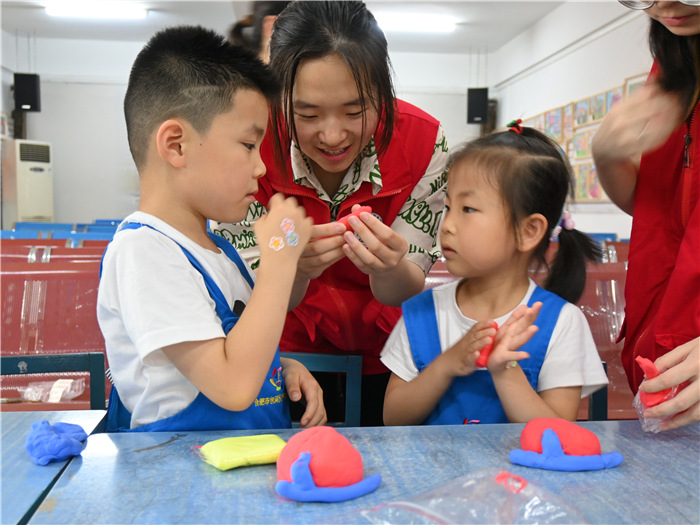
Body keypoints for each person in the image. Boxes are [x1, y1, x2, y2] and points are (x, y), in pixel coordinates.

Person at [213, 1, 450, 426]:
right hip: (285, 352)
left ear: (383, 92)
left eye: (355, 111)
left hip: (391, 355)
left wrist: (387, 267)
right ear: (277, 97)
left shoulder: (424, 141)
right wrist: (292, 269)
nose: (333, 135)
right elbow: (250, 294)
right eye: (307, 114)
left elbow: (406, 285)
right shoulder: (250, 143)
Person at [97, 25, 326, 432]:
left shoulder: (218, 250)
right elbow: (233, 386)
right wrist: (278, 259)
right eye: (248, 146)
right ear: (176, 145)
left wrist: (282, 367)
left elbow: (229, 352)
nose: (261, 167)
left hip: (239, 459)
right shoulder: (144, 252)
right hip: (180, 466)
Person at [381, 121, 608, 425]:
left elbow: (558, 433)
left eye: (468, 209)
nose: (447, 225)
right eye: (448, 207)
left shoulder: (562, 323)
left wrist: (506, 371)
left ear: (528, 231)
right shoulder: (421, 313)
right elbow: (393, 419)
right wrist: (446, 364)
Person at [592, 0, 699, 431]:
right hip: (669, 365)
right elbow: (660, 212)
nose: (662, 6)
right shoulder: (676, 63)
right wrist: (606, 155)